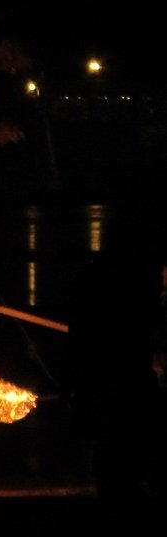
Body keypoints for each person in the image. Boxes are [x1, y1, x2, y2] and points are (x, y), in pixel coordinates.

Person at [64, 207, 164, 500]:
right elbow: (152, 322)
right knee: (128, 461)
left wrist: (70, 382)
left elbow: (77, 335)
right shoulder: (139, 279)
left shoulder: (91, 277)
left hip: (102, 384)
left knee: (111, 462)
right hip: (128, 383)